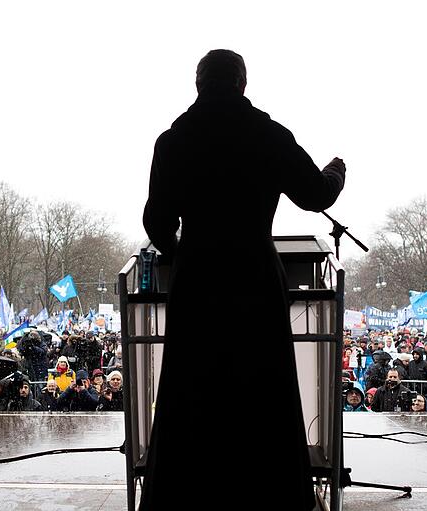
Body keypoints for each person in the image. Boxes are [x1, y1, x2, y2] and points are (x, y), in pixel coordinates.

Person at [140, 48, 346, 511]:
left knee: (192, 387)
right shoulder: (267, 135)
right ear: (242, 84)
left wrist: (184, 254)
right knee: (263, 387)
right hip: (255, 278)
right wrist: (337, 170)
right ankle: (270, 494)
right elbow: (315, 195)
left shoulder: (173, 141)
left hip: (197, 283)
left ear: (198, 85)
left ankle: (185, 495)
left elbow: (156, 222)